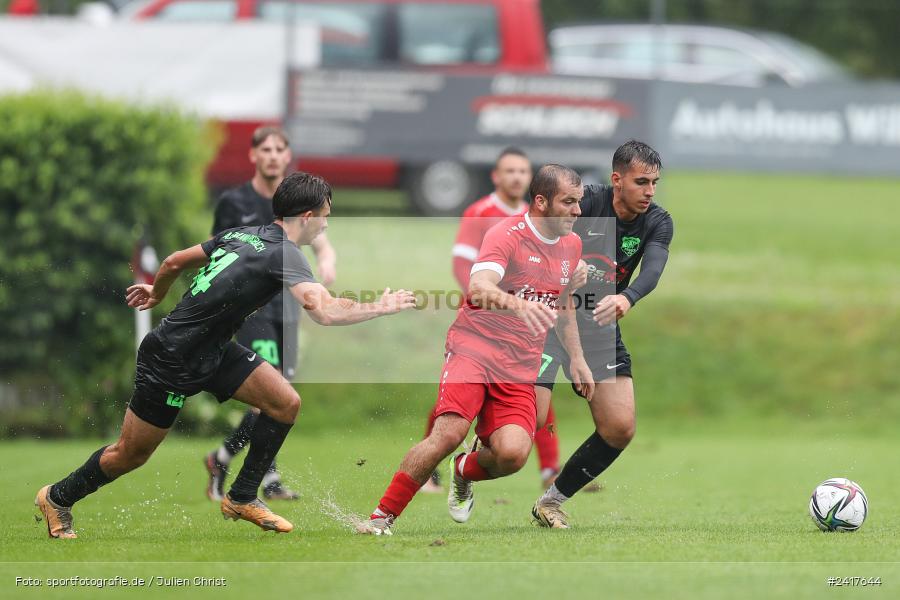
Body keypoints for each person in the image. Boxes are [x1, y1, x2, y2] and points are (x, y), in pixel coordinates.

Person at [35, 172, 416, 538]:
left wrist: (157, 293)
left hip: (212, 350)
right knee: (130, 454)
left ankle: (242, 496)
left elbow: (172, 263)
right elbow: (326, 311)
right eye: (325, 218)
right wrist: (380, 306)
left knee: (285, 403)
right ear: (306, 217)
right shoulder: (285, 254)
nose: (326, 227)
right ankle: (57, 497)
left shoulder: (240, 234)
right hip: (171, 357)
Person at [359, 164, 591, 536]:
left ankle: (463, 470)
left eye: (579, 202)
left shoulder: (572, 245)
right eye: (569, 202)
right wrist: (519, 304)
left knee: (514, 455)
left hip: (520, 364)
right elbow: (479, 287)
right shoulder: (507, 233)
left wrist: (577, 358)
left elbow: (563, 305)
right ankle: (379, 519)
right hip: (475, 348)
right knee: (448, 433)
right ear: (542, 201)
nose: (578, 211)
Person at [531, 140, 674, 529]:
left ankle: (551, 502)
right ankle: (473, 457)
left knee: (619, 427)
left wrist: (627, 298)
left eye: (655, 182)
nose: (650, 191)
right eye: (641, 181)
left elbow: (653, 269)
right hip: (548, 323)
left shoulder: (657, 221)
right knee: (530, 422)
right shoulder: (583, 205)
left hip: (598, 331)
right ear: (616, 179)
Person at [204, 125, 337, 502]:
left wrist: (326, 263)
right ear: (253, 155)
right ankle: (255, 471)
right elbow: (222, 251)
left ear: (287, 155)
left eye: (281, 149)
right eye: (266, 149)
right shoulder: (235, 202)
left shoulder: (297, 198)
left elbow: (323, 244)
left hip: (288, 309)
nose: (274, 155)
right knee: (271, 394)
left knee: (281, 394)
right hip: (253, 311)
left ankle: (232, 461)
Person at [420, 147, 561, 493]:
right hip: (484, 322)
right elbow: (462, 266)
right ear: (496, 176)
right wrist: (491, 304)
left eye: (523, 171)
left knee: (536, 389)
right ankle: (430, 471)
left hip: (528, 323)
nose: (516, 177)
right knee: (457, 399)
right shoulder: (480, 213)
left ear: (532, 179)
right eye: (509, 171)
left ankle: (550, 472)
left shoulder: (540, 221)